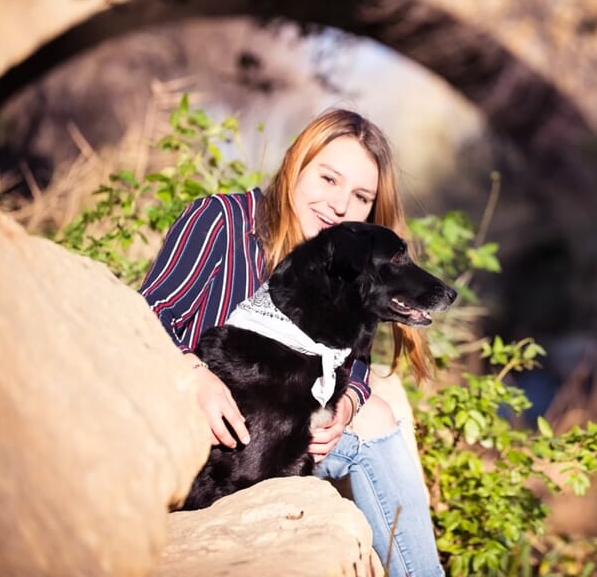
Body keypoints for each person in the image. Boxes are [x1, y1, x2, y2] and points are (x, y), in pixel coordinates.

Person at [139, 108, 445, 576]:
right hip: (211, 437)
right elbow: (150, 312)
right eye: (327, 179)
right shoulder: (223, 221)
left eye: (360, 196)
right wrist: (194, 374)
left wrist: (344, 408)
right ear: (296, 166)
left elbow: (353, 362)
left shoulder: (346, 268)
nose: (339, 205)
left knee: (376, 416)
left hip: (288, 437)